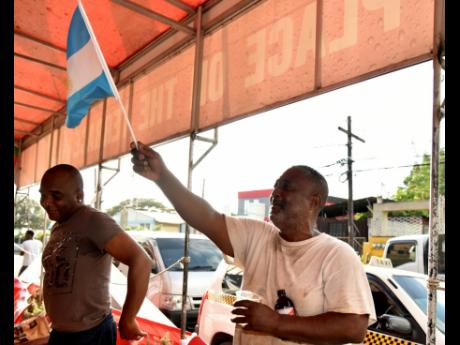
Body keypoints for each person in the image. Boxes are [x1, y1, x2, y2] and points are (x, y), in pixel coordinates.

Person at [131, 141, 376, 345]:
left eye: (286, 187)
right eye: (275, 186)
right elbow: (205, 218)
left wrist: (276, 323)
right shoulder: (258, 236)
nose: (275, 193)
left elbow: (353, 327)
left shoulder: (337, 255)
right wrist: (162, 176)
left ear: (314, 201)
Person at [39, 164, 151, 345]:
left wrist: (128, 318)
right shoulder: (58, 226)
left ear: (79, 196)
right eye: (43, 195)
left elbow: (141, 260)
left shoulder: (93, 220)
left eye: (56, 196)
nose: (46, 202)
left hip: (90, 334)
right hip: (61, 333)